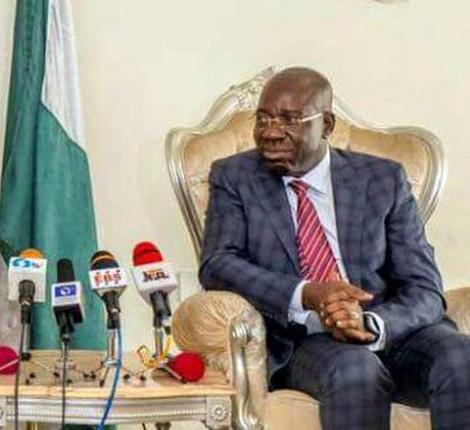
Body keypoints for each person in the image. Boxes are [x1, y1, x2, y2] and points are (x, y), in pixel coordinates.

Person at [200, 67, 470, 430]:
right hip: (306, 340)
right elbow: (218, 263)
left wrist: (372, 324)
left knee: (462, 356)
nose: (271, 131)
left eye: (289, 119)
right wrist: (308, 294)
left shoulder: (382, 179)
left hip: (391, 329)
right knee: (355, 369)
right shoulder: (235, 177)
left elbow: (424, 287)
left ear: (326, 125)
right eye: (262, 119)